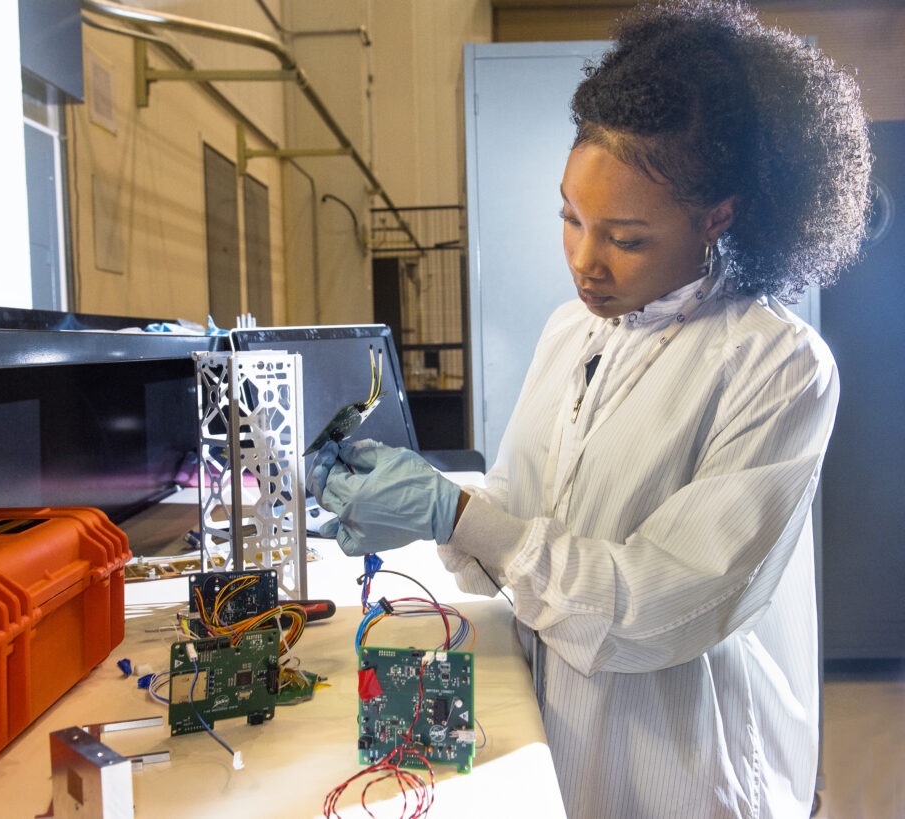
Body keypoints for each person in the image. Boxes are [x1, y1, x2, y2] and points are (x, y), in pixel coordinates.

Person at [307, 1, 871, 816]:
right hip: (560, 731)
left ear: (720, 216)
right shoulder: (572, 330)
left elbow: (661, 603)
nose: (583, 260)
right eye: (570, 217)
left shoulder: (776, 363)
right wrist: (433, 503)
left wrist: (458, 516)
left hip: (686, 760)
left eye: (626, 237)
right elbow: (524, 505)